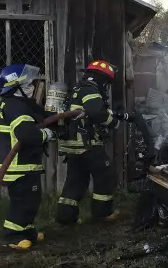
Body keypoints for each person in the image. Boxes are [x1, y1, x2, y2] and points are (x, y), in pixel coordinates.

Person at [55, 60, 135, 225]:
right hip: (87, 144)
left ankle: (65, 217)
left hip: (72, 145)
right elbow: (97, 113)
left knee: (75, 180)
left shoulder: (78, 89)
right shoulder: (90, 90)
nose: (106, 86)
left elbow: (91, 111)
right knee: (105, 175)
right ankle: (102, 213)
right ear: (102, 79)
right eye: (107, 82)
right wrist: (114, 123)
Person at [0, 63, 55, 251]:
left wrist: (62, 118)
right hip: (17, 166)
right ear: (16, 87)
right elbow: (26, 134)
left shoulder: (23, 104)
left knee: (31, 200)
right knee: (22, 201)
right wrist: (46, 135)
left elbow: (43, 116)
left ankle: (26, 231)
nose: (32, 87)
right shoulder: (13, 105)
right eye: (28, 84)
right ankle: (11, 236)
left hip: (27, 165)